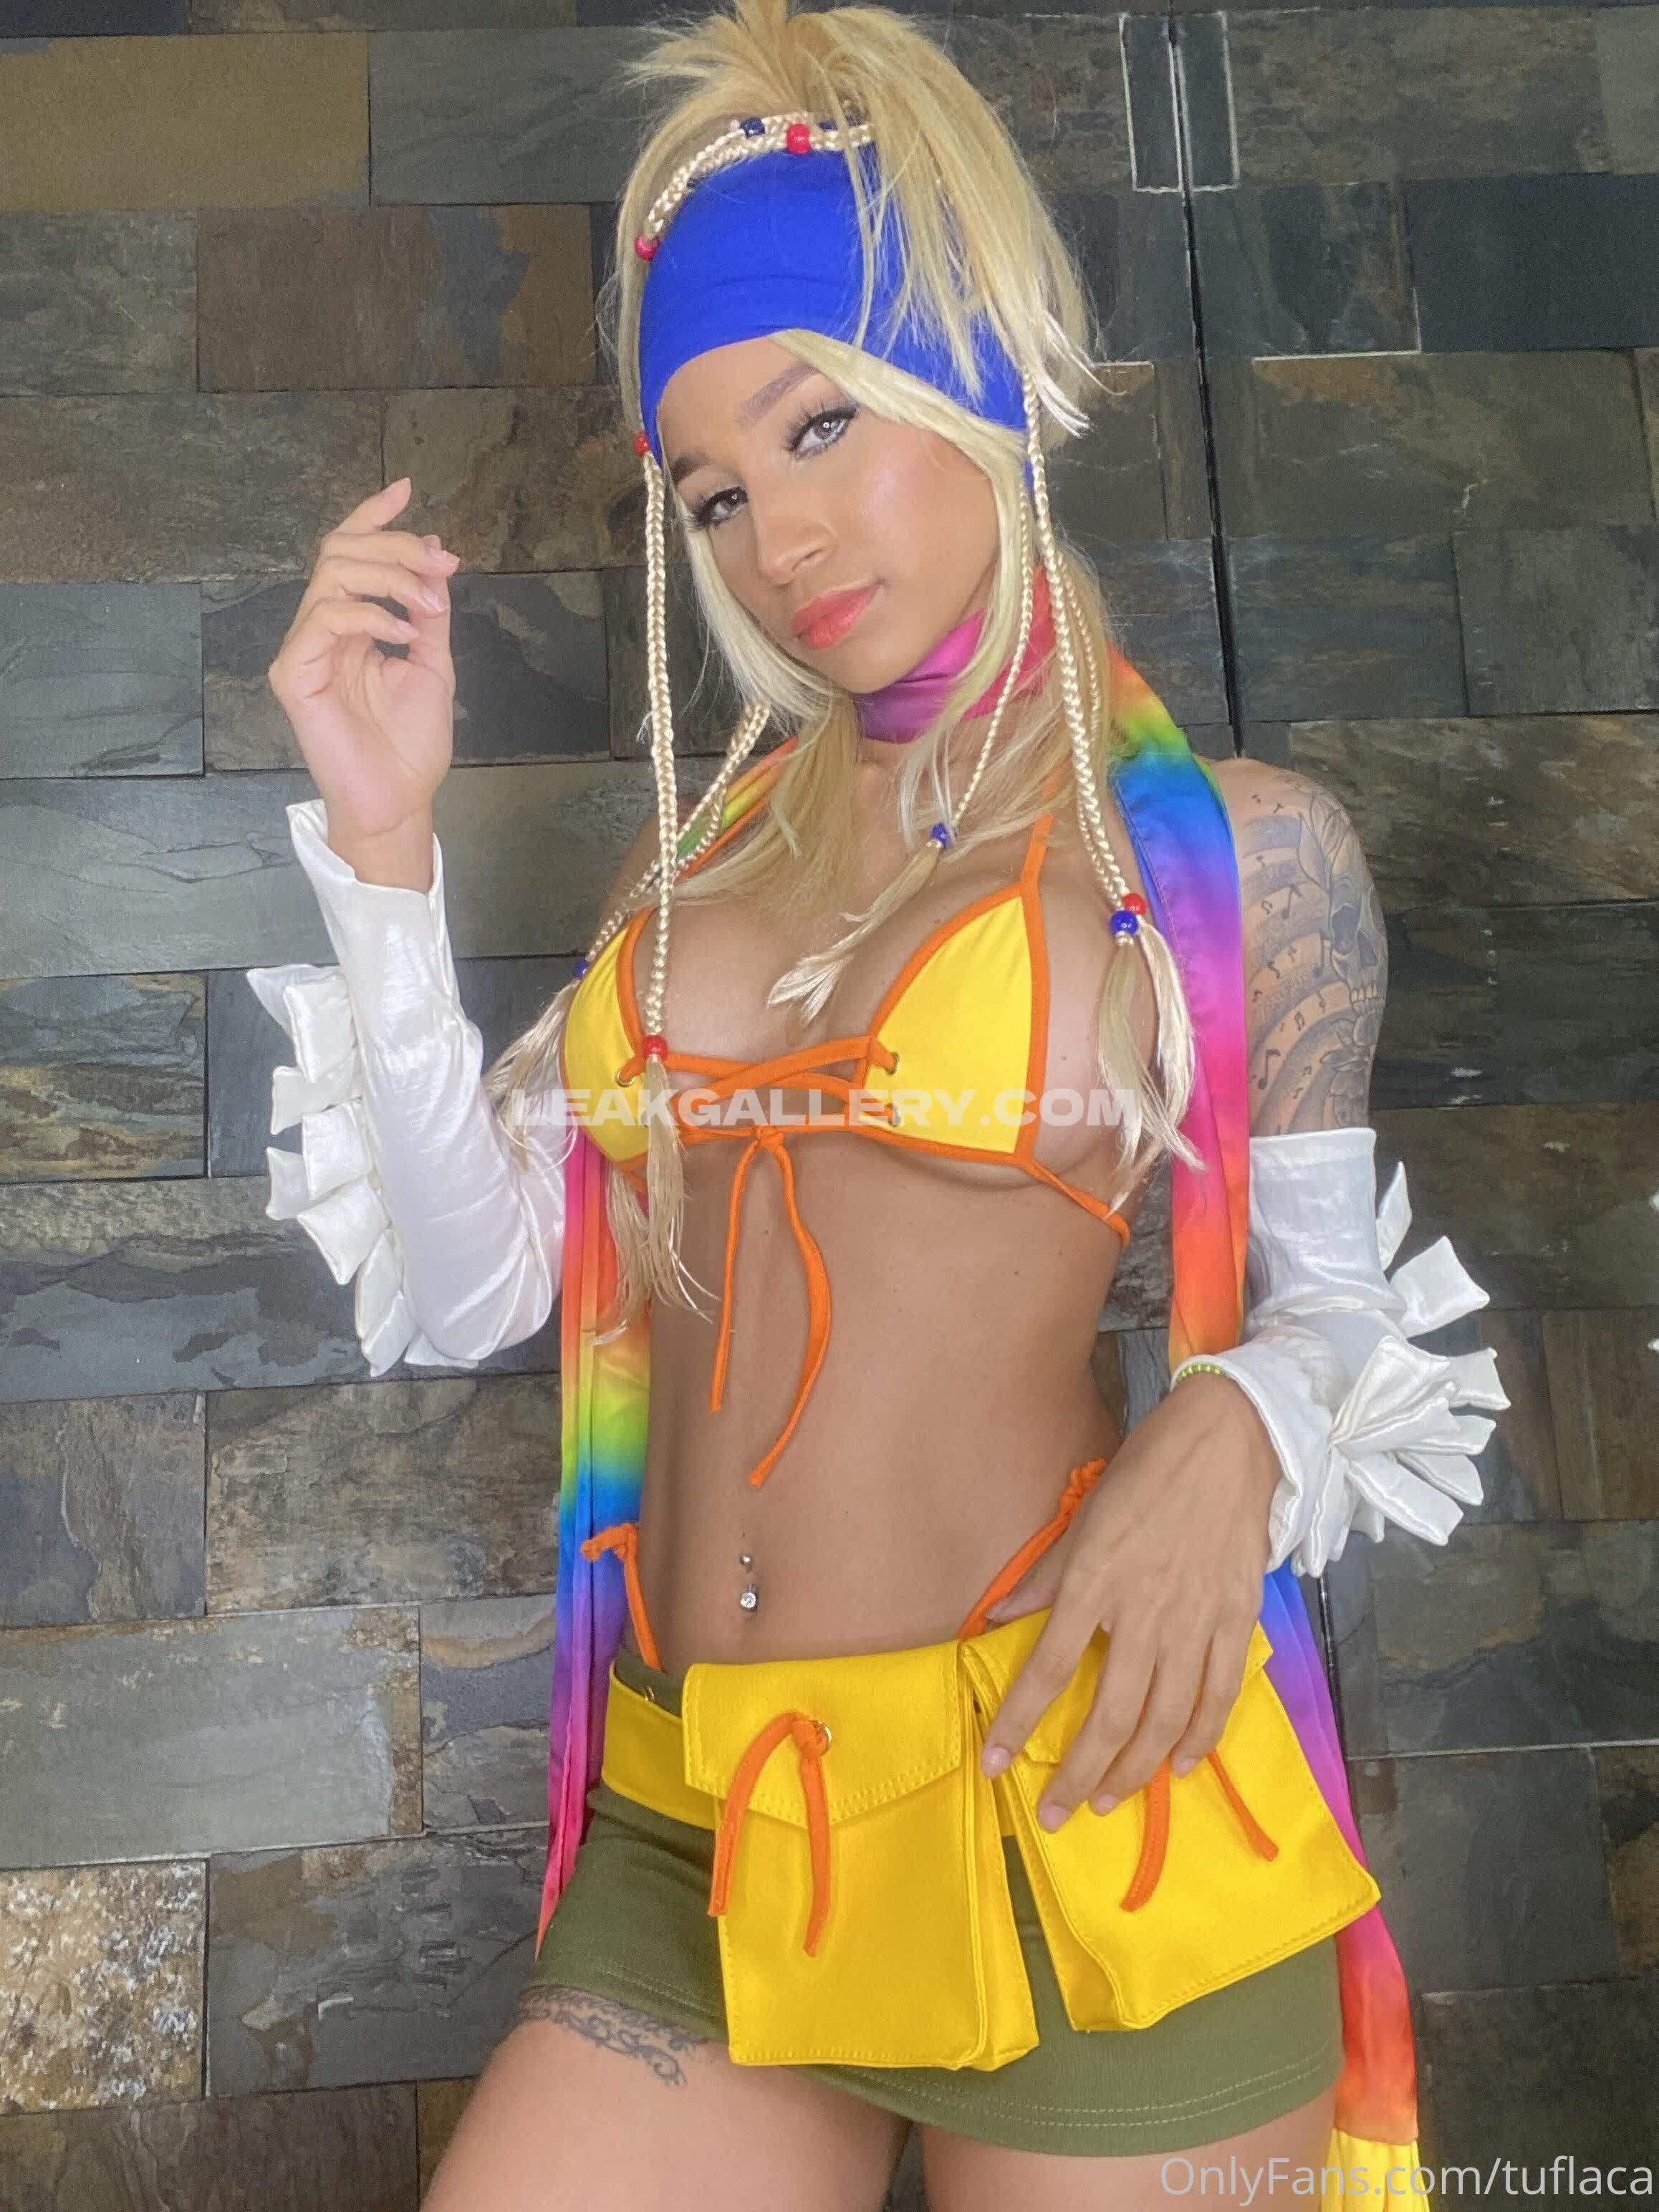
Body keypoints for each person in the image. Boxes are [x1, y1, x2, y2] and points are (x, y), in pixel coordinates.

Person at [249, 3, 1508, 2204]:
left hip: (1078, 1794)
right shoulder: (689, 875)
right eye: (718, 493)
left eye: (822, 423)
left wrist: (1234, 1425)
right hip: (706, 1819)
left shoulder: (1232, 855)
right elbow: (472, 1296)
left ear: (977, 379)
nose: (780, 534)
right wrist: (380, 848)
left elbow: (1344, 1322)